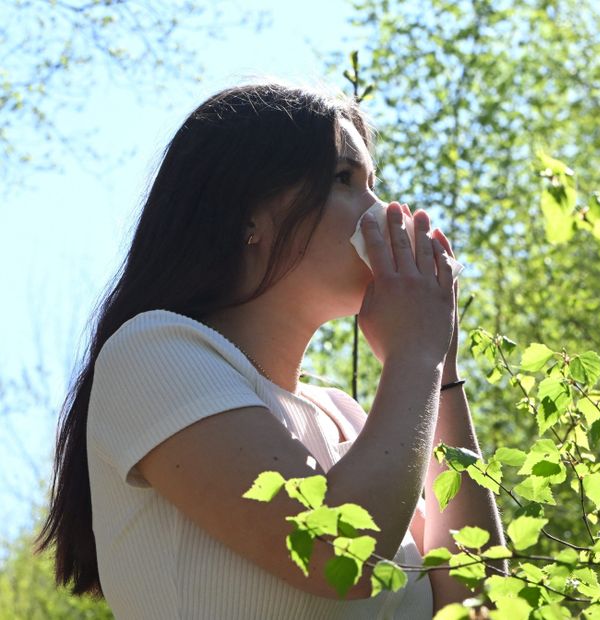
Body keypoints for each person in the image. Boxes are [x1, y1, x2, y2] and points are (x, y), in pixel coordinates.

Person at [36, 81, 505, 619]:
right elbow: (339, 555)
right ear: (247, 215)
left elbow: (478, 607)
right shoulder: (152, 354)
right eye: (344, 179)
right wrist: (414, 357)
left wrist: (439, 374)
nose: (378, 210)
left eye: (373, 184)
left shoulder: (346, 418)